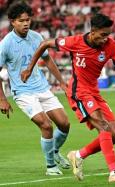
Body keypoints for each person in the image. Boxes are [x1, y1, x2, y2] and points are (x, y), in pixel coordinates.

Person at [21, 13, 115, 182]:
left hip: (94, 92)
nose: (106, 38)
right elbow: (45, 44)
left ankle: (78, 155)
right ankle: (114, 172)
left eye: (108, 35)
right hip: (79, 92)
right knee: (103, 126)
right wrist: (30, 69)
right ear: (93, 31)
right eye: (103, 34)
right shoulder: (75, 42)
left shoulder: (112, 46)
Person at [0, 2, 70, 176]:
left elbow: (48, 60)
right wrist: (2, 98)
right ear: (12, 22)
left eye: (28, 20)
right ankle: (51, 166)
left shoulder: (37, 37)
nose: (25, 23)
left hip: (42, 88)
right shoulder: (5, 44)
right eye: (21, 21)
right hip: (23, 92)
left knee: (64, 124)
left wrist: (61, 81)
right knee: (46, 125)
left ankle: (54, 151)